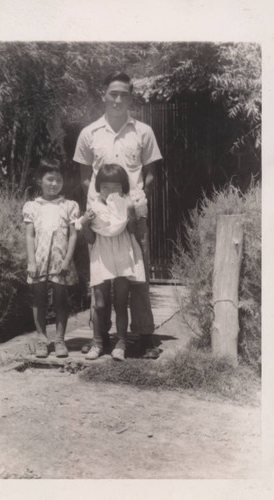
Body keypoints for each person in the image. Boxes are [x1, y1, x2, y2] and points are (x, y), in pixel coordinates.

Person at [73, 71, 163, 358]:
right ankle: (100, 337)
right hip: (99, 219)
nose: (118, 99)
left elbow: (150, 173)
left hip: (133, 216)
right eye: (113, 93)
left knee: (137, 275)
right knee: (100, 275)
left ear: (130, 97)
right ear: (104, 95)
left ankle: (144, 335)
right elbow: (86, 176)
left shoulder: (143, 132)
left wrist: (133, 202)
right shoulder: (89, 133)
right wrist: (99, 207)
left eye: (124, 94)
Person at [80, 164, 145, 361]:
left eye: (115, 187)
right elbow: (90, 239)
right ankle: (98, 342)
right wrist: (84, 223)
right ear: (98, 188)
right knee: (99, 304)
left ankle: (121, 343)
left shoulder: (127, 203)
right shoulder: (93, 208)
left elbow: (133, 230)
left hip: (122, 256)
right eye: (105, 187)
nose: (110, 191)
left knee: (120, 302)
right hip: (101, 257)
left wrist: (132, 211)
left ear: (123, 187)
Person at [23, 159, 79, 358]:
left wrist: (67, 260)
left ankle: (60, 340)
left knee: (60, 300)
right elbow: (30, 235)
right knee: (39, 299)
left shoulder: (69, 206)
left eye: (58, 180)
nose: (54, 184)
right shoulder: (32, 206)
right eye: (50, 179)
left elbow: (73, 234)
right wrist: (31, 261)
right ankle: (41, 340)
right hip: (38, 260)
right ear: (40, 180)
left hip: (60, 261)